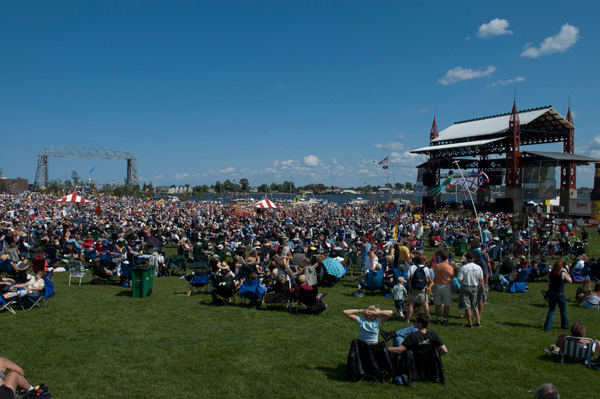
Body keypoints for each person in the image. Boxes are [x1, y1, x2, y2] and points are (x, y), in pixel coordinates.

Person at [387, 313, 448, 385]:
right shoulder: (433, 334)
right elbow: (444, 350)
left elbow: (399, 350)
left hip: (413, 362)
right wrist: (432, 355)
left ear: (420, 324)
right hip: (425, 364)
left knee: (397, 338)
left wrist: (384, 348)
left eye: (415, 321)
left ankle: (394, 362)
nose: (413, 322)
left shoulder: (414, 336)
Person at [457, 252, 484, 328]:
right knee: (475, 305)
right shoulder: (478, 267)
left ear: (467, 259)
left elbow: (459, 279)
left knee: (467, 306)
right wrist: (483, 291)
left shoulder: (464, 268)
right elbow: (481, 280)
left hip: (466, 286)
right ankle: (478, 322)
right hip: (475, 287)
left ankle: (469, 323)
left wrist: (463, 282)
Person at [544, 259, 571, 331]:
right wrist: (566, 272)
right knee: (563, 310)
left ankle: (547, 326)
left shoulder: (550, 273)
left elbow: (549, 285)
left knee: (551, 310)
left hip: (552, 292)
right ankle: (565, 325)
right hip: (560, 293)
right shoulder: (562, 274)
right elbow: (570, 281)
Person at [405, 254, 431, 323]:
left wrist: (410, 283)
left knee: (411, 304)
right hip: (423, 288)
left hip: (413, 287)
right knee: (425, 303)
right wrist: (427, 285)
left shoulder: (412, 267)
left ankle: (408, 319)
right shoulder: (426, 268)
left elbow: (407, 278)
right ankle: (427, 319)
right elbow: (429, 279)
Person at [432, 249, 453, 326]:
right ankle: (445, 319)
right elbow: (452, 276)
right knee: (446, 304)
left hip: (437, 284)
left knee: (437, 304)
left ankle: (438, 319)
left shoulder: (436, 266)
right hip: (446, 285)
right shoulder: (449, 267)